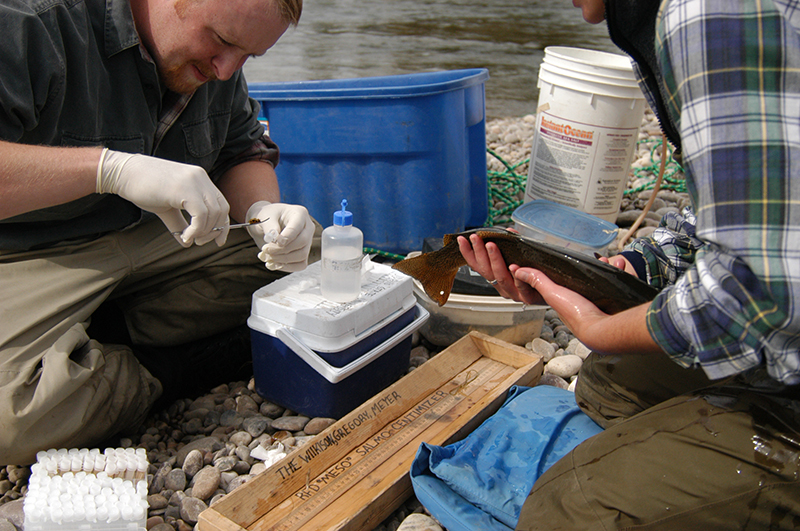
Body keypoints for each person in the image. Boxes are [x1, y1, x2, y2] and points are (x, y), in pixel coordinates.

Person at [460, 0, 800, 528]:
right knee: (611, 382)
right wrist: (635, 270)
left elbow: (761, 289)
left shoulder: (711, 13)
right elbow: (744, 212)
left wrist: (603, 327)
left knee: (562, 513)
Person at [0, 0, 319, 465]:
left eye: (249, 57)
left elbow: (239, 149)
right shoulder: (30, 22)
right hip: (25, 255)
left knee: (318, 257)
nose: (227, 71)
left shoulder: (217, 63)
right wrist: (109, 170)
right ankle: (172, 367)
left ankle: (106, 336)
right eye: (224, 42)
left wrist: (262, 210)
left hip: (158, 239)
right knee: (15, 417)